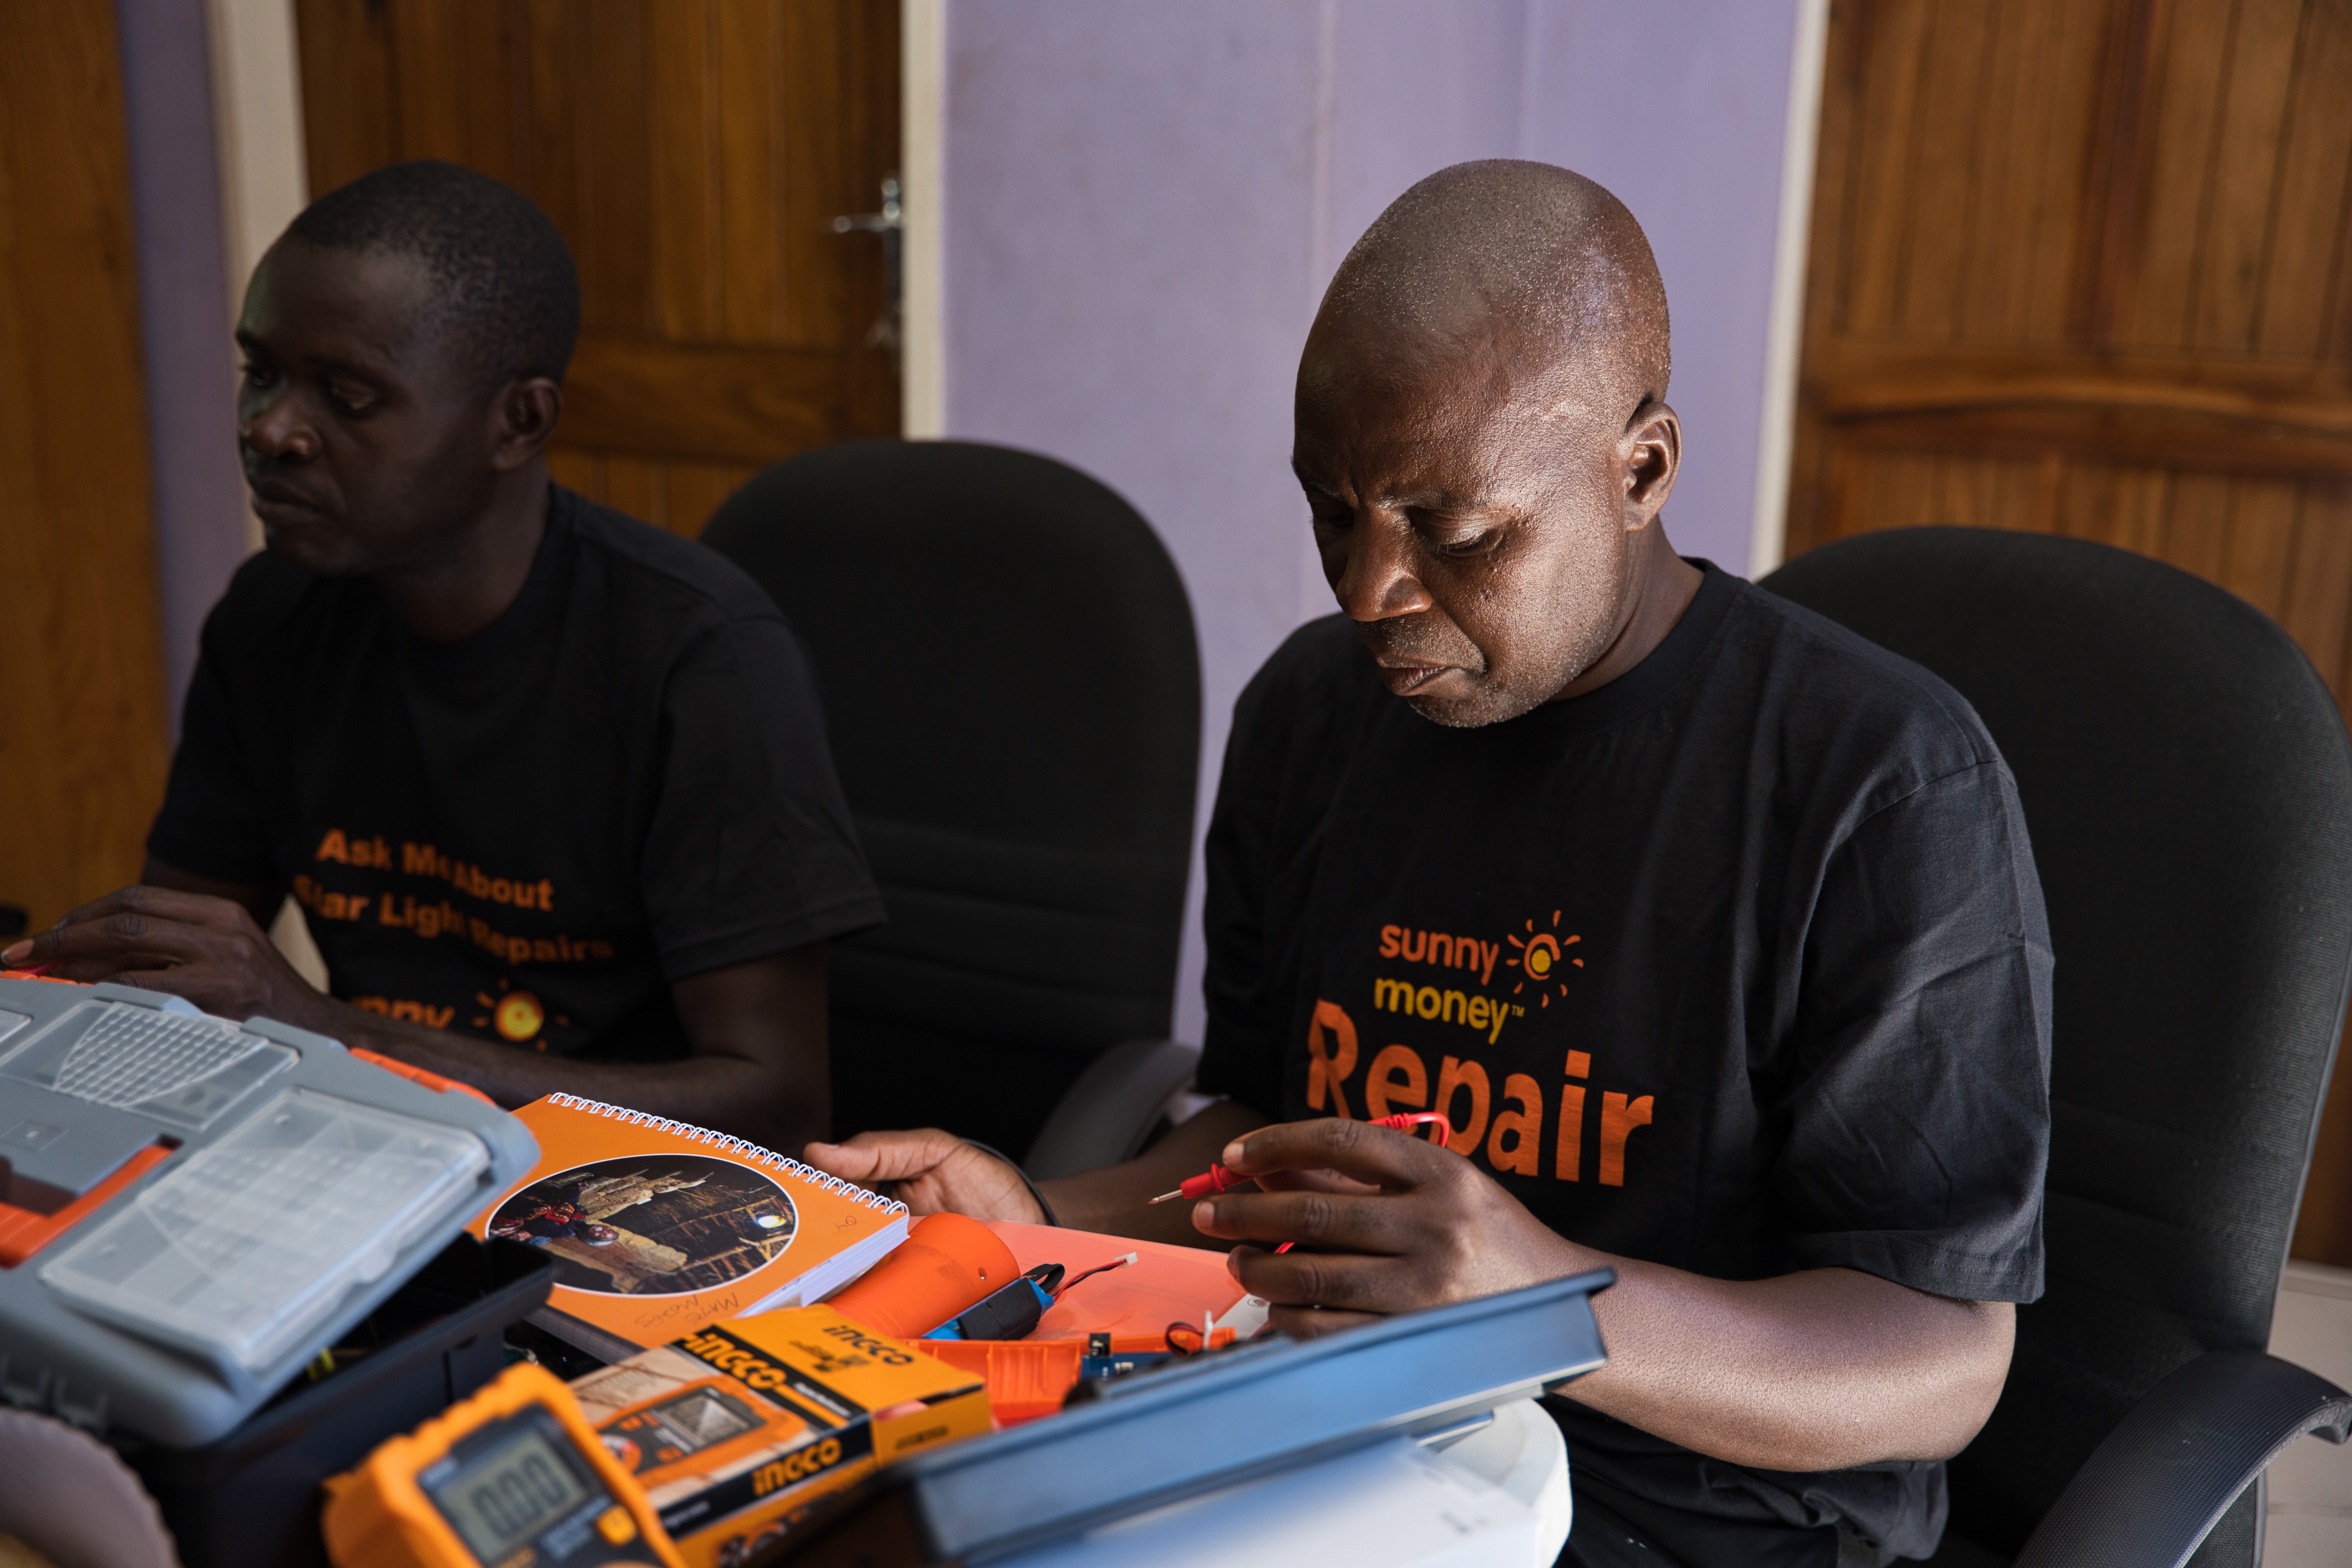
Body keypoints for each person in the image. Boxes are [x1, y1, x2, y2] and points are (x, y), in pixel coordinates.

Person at [805, 161, 2051, 1566]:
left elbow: (1946, 1358)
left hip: (1685, 1517)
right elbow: (1269, 1140)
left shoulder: (1879, 782)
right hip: (1324, 1448)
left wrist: (1546, 1302)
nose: (1367, 592)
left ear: (1640, 471)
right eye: (1334, 514)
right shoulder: (1312, 714)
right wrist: (1041, 1214)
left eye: (1457, 534)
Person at [2, 161, 882, 1146]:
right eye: (262, 372)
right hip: (374, 1144)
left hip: (623, 1195)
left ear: (520, 422)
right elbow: (175, 963)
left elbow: (778, 1103)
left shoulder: (701, 660)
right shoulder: (273, 617)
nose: (271, 429)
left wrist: (329, 1030)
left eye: (348, 396)